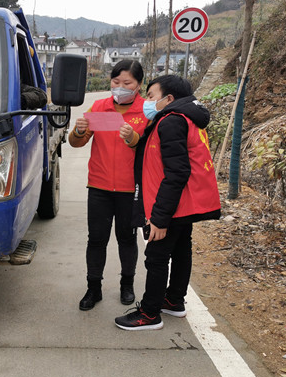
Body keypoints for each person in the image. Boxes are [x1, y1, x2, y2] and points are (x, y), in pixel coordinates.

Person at [115, 74, 221, 330]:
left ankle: (149, 314)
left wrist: (160, 218)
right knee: (182, 250)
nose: (147, 101)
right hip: (185, 202)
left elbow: (176, 172)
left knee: (157, 256)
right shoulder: (186, 118)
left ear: (169, 98)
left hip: (172, 205)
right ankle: (174, 300)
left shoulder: (172, 121)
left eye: (152, 96)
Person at [69, 60, 150, 311]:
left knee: (127, 239)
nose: (120, 87)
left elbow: (151, 150)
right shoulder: (99, 107)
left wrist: (133, 139)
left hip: (130, 189)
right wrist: (78, 131)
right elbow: (76, 143)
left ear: (139, 85)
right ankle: (93, 288)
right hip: (99, 187)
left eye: (127, 83)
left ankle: (127, 284)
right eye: (116, 82)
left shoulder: (146, 111)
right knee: (96, 239)